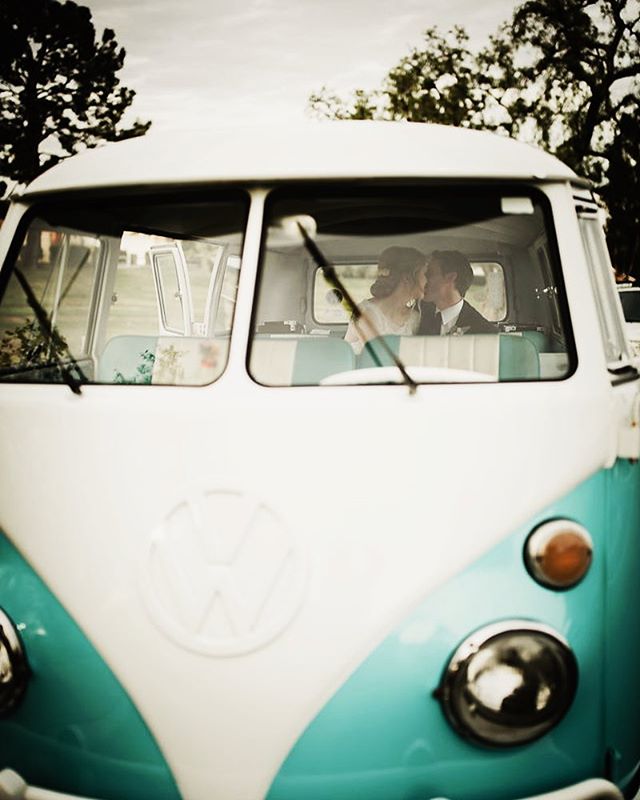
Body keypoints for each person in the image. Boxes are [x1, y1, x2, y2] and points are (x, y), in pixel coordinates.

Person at [344, 246, 427, 353]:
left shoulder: (414, 318)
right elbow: (381, 359)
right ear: (407, 278)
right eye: (424, 274)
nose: (428, 280)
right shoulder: (366, 314)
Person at [418, 250, 496, 335]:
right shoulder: (416, 312)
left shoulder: (484, 331)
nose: (423, 279)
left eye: (429, 274)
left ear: (450, 277)